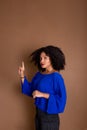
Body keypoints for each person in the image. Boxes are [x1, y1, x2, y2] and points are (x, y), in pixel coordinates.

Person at [18, 45, 67, 130]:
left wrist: (42, 94)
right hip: (38, 114)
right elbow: (30, 90)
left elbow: (61, 99)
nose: (42, 61)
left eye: (45, 58)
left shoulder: (56, 77)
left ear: (52, 58)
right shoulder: (39, 75)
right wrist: (22, 75)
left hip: (49, 117)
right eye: (40, 58)